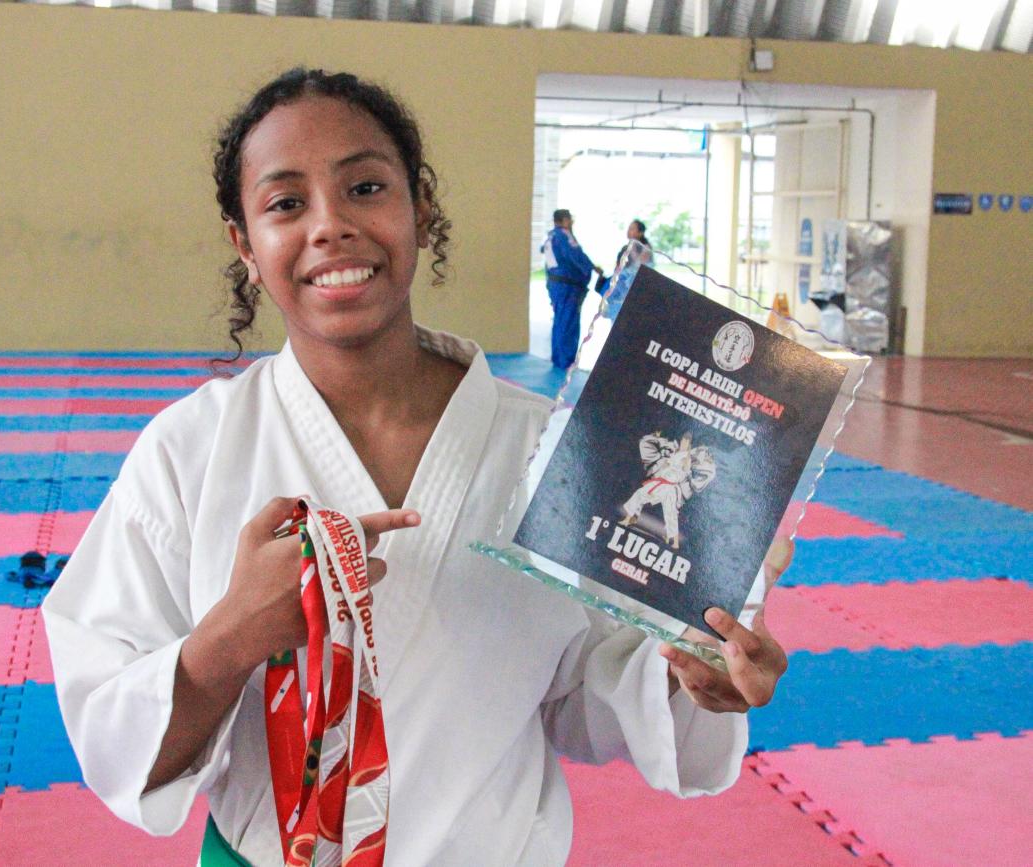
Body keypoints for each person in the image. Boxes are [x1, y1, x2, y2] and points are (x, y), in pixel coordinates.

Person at [43, 68, 790, 866]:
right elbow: (113, 738)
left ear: (420, 208)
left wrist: (691, 672)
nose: (330, 226)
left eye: (365, 188)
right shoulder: (189, 449)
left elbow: (588, 686)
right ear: (245, 245)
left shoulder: (548, 448)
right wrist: (231, 637)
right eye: (286, 203)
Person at [541, 209, 603, 368]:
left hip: (556, 285)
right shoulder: (564, 235)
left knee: (560, 321)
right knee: (568, 322)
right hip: (567, 286)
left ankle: (558, 358)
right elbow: (575, 255)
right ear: (565, 220)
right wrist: (590, 268)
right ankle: (565, 361)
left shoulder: (551, 237)